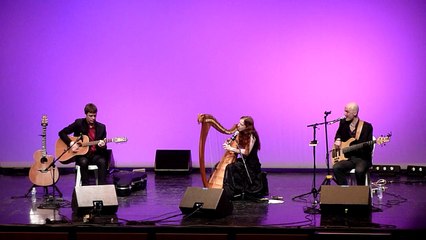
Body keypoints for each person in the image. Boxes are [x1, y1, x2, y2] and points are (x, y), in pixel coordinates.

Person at [58, 103, 108, 185]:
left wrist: (102, 146)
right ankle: (85, 189)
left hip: (95, 155)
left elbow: (104, 147)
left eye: (95, 116)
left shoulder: (101, 127)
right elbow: (62, 133)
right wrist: (71, 143)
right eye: (90, 116)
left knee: (102, 161)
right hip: (82, 155)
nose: (93, 118)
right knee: (83, 162)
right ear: (86, 114)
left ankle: (101, 189)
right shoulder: (79, 123)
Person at [222, 116, 267, 199]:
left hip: (251, 164)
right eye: (239, 123)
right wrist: (229, 143)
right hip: (245, 161)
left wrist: (231, 148)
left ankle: (232, 192)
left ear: (247, 126)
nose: (238, 125)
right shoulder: (241, 133)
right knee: (225, 166)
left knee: (230, 167)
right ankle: (230, 190)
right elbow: (237, 145)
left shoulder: (252, 135)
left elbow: (246, 152)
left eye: (241, 124)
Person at [332, 102, 373, 185]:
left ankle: (360, 195)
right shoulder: (343, 123)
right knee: (336, 168)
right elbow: (338, 134)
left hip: (362, 159)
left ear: (355, 113)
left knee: (359, 171)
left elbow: (369, 148)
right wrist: (338, 139)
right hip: (349, 158)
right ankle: (345, 191)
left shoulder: (367, 126)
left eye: (347, 112)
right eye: (344, 111)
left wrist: (358, 147)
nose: (344, 114)